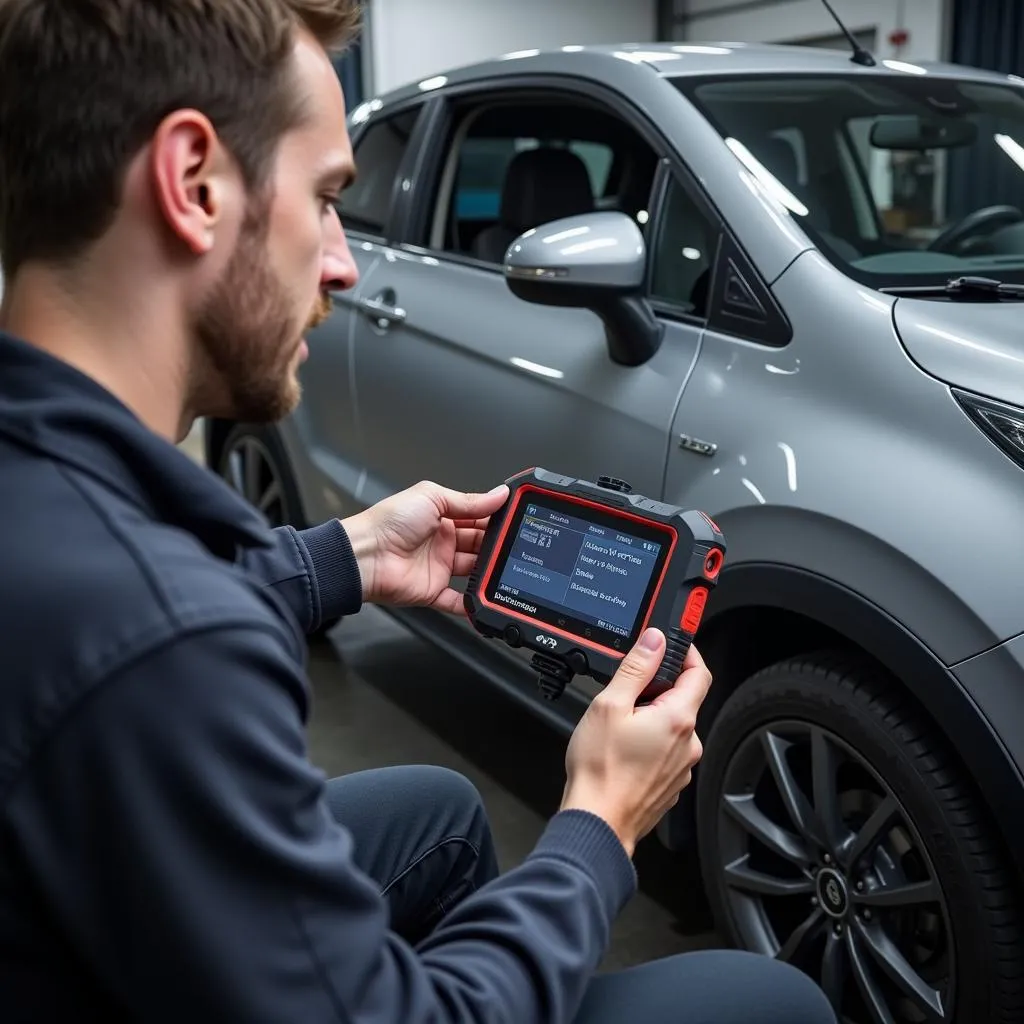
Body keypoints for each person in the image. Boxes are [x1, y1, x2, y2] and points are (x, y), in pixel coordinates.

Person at [0, 2, 836, 1022]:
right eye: (325, 198)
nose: (348, 264)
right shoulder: (169, 639)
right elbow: (147, 643)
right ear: (192, 183)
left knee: (434, 813)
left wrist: (339, 557)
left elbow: (111, 632)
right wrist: (597, 822)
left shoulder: (55, 507)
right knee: (761, 998)